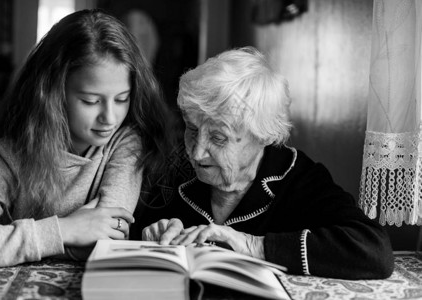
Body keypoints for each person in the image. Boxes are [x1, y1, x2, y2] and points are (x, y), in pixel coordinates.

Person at [138, 47, 394, 279]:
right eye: (192, 129)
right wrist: (152, 234)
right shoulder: (174, 169)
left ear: (262, 136)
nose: (196, 152)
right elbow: (131, 234)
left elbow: (374, 251)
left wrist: (254, 245)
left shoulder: (296, 178)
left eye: (218, 137)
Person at [0, 8, 172, 269]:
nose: (109, 118)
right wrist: (65, 230)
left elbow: (106, 239)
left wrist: (6, 243)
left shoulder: (126, 144)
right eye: (91, 101)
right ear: (53, 94)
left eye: (122, 99)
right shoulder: (11, 154)